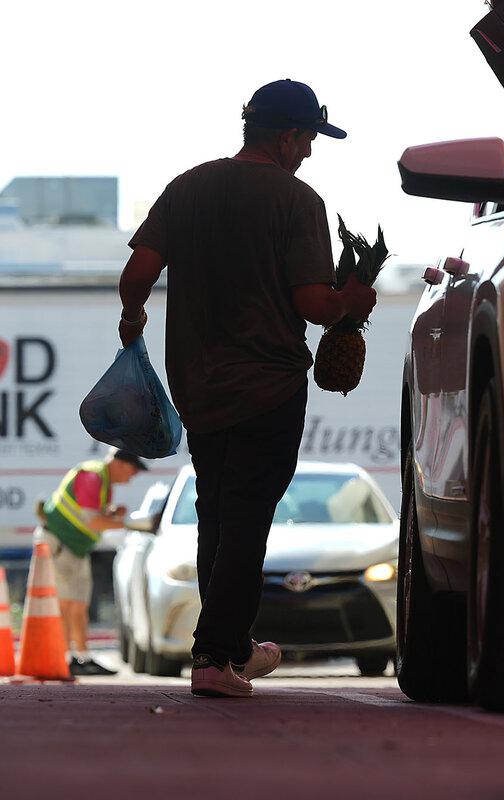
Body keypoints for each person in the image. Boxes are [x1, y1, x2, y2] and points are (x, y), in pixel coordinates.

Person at [117, 79, 377, 697]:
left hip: (197, 387)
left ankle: (232, 651)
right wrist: (353, 300)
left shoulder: (187, 187)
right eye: (309, 139)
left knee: (218, 512)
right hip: (267, 385)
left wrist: (133, 322)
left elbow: (138, 274)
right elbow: (314, 304)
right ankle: (212, 658)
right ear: (288, 137)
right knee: (247, 518)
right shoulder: (296, 201)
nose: (310, 152)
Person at [35, 448, 148, 676]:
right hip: (61, 545)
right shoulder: (93, 476)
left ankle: (80, 657)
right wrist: (130, 524)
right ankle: (65, 657)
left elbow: (90, 513)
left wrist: (111, 512)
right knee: (66, 604)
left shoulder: (102, 480)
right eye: (133, 469)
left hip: (73, 548)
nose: (133, 476)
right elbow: (93, 522)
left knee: (77, 605)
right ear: (120, 463)